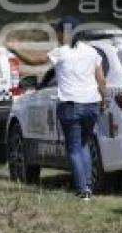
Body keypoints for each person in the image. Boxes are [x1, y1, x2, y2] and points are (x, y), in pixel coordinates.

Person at [7, 16, 107, 201]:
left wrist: (14, 50)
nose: (57, 35)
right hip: (91, 105)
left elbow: (35, 61)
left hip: (71, 105)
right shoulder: (92, 52)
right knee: (84, 144)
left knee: (74, 148)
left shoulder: (61, 52)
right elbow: (101, 79)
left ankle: (83, 190)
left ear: (64, 33)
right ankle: (88, 186)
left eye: (58, 31)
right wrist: (104, 100)